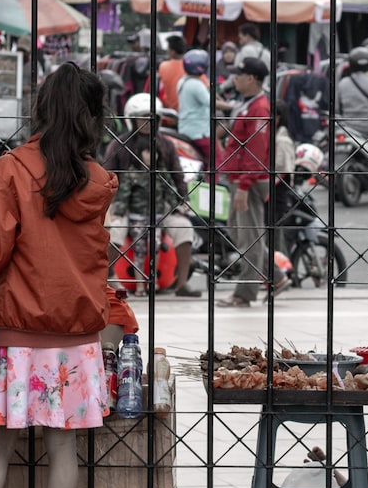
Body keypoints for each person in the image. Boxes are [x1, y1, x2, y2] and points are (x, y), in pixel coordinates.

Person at [0, 63, 139, 488]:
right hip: (76, 339)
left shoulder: (8, 170)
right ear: (93, 118)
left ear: (41, 110)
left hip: (19, 336)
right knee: (64, 449)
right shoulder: (100, 182)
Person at [102, 93, 200, 297]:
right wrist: (111, 209)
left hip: (161, 206)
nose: (147, 122)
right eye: (142, 117)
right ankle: (108, 277)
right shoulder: (118, 145)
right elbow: (106, 178)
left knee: (184, 228)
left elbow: (177, 177)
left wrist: (183, 203)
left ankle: (181, 284)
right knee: (116, 230)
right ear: (132, 119)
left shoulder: (166, 145)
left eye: (151, 118)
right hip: (126, 205)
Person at [216, 56, 281, 307]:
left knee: (249, 236)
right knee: (239, 231)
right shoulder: (247, 103)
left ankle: (244, 293)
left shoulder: (259, 108)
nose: (235, 79)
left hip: (249, 181)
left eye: (239, 75)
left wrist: (244, 184)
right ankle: (277, 275)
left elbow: (256, 149)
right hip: (238, 177)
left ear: (251, 78)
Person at [177, 49, 218, 162]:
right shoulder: (197, 85)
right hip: (198, 131)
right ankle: (212, 180)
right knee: (217, 159)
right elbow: (212, 103)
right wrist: (232, 107)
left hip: (186, 128)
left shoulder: (183, 81)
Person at [157, 34, 187, 111]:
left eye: (168, 49)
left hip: (168, 110)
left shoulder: (163, 66)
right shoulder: (191, 66)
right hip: (187, 110)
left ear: (173, 52)